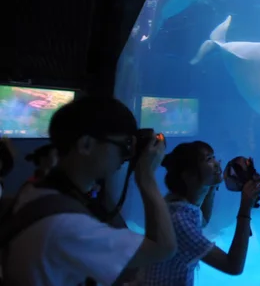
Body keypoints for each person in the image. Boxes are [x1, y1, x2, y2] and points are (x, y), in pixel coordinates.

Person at [3, 96, 177, 285]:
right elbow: (163, 248)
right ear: (86, 145)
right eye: (124, 145)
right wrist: (146, 177)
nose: (127, 156)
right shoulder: (68, 226)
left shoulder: (37, 190)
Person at [142, 141, 260, 286]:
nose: (217, 164)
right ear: (189, 175)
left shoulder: (176, 205)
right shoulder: (179, 221)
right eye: (208, 160)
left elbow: (203, 219)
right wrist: (245, 208)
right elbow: (233, 266)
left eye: (213, 157)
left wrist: (212, 185)